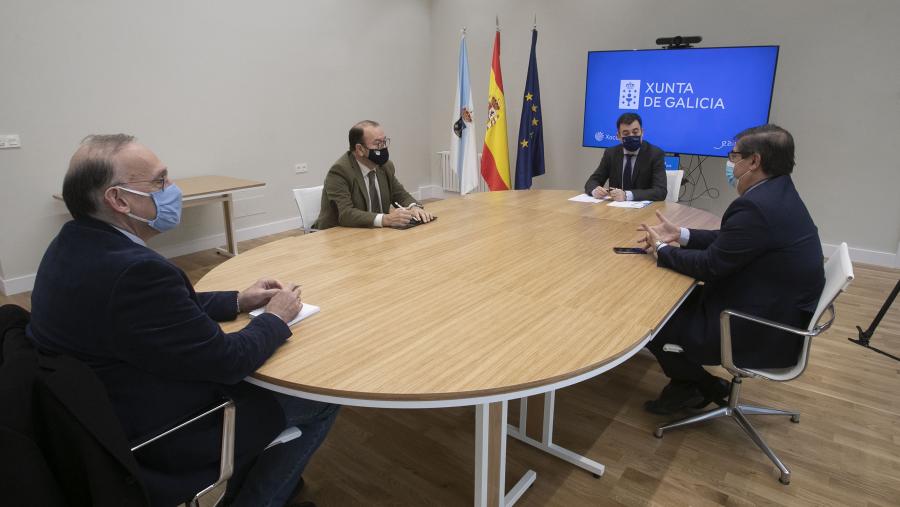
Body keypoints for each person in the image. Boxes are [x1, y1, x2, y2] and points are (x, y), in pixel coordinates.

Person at [27, 134, 338, 507]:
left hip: (103, 418)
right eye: (160, 181)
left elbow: (160, 315)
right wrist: (276, 317)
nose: (171, 190)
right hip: (167, 431)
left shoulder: (73, 245)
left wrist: (237, 300)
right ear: (119, 199)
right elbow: (228, 361)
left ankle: (255, 479)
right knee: (318, 401)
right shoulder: (136, 273)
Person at [638, 124, 824, 415]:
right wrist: (682, 234)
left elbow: (711, 266)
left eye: (734, 156)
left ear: (755, 161)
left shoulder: (757, 207)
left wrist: (662, 250)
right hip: (775, 308)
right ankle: (696, 385)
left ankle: (695, 386)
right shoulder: (778, 192)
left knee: (654, 317)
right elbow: (734, 242)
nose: (730, 163)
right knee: (672, 302)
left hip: (757, 325)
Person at [314, 120, 434, 229]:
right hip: (338, 236)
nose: (383, 148)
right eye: (377, 144)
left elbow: (399, 194)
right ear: (360, 149)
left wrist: (414, 207)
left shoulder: (385, 166)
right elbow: (346, 214)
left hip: (374, 233)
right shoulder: (340, 171)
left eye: (384, 142)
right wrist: (385, 219)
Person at [584, 112, 667, 202]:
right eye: (626, 133)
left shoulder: (655, 154)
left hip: (644, 210)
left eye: (635, 132)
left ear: (642, 132)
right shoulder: (611, 153)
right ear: (618, 136)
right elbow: (592, 181)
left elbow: (660, 191)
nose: (631, 136)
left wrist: (627, 195)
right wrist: (595, 190)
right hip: (615, 209)